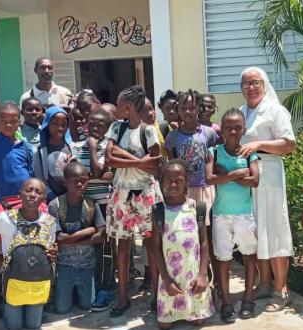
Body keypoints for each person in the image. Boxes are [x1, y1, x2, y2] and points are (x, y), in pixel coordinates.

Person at [238, 66, 296, 312]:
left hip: (269, 177)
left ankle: (280, 289)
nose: (251, 87)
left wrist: (259, 144)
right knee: (256, 231)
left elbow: (288, 143)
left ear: (264, 84)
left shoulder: (275, 110)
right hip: (247, 179)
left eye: (255, 82)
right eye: (246, 84)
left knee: (275, 230)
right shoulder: (241, 112)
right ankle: (264, 284)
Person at [104, 85, 164, 317]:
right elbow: (109, 157)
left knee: (152, 244)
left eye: (119, 105)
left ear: (128, 107)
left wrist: (124, 156)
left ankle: (157, 294)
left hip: (146, 193)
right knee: (123, 245)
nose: (117, 108)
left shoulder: (148, 131)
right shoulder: (116, 128)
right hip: (122, 193)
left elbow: (156, 161)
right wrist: (139, 161)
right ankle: (122, 296)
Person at [0, 178, 58, 330]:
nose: (33, 195)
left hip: (37, 285)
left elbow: (51, 247)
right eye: (28, 190)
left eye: (38, 192)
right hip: (13, 283)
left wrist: (53, 253)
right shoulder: (6, 218)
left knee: (33, 325)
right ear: (19, 194)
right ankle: (6, 305)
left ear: (44, 199)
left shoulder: (50, 222)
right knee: (13, 327)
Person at [206, 108, 260, 322]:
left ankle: (248, 298)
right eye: (228, 127)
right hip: (220, 214)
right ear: (222, 128)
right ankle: (226, 302)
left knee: (249, 255)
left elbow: (255, 180)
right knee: (223, 258)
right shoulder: (214, 152)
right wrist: (238, 174)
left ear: (243, 129)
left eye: (238, 127)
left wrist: (225, 175)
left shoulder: (249, 152)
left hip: (244, 214)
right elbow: (209, 179)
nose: (233, 131)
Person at [164, 89, 219, 292]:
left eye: (192, 107)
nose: (188, 111)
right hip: (183, 195)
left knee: (209, 237)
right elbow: (171, 166)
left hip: (205, 190)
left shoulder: (209, 133)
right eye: (184, 107)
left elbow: (215, 159)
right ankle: (189, 279)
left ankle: (213, 283)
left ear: (199, 109)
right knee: (190, 237)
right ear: (178, 109)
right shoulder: (172, 137)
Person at [152, 159, 215, 330]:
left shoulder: (197, 208)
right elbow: (156, 247)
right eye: (168, 180)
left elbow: (203, 242)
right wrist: (165, 280)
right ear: (161, 182)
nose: (173, 184)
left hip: (193, 277)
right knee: (164, 325)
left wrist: (203, 274)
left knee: (197, 321)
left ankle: (195, 304)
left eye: (179, 180)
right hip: (170, 278)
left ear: (187, 181)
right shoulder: (158, 211)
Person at [71, 109, 116, 311]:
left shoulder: (110, 146)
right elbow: (76, 176)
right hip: (85, 204)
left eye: (100, 124)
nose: (95, 127)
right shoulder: (76, 146)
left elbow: (103, 172)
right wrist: (95, 175)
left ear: (108, 127)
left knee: (106, 246)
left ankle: (107, 288)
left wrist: (92, 150)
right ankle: (90, 286)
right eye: (92, 123)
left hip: (106, 203)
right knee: (90, 247)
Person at [49, 162, 106, 313]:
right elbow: (59, 238)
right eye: (75, 181)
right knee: (61, 309)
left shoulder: (91, 205)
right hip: (64, 266)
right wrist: (90, 230)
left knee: (88, 305)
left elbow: (101, 236)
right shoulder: (55, 205)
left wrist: (70, 240)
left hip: (87, 265)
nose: (80, 184)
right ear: (65, 182)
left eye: (83, 180)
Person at [33, 106, 72, 202]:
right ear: (47, 124)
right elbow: (39, 177)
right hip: (49, 198)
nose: (60, 128)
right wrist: (50, 195)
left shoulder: (72, 147)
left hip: (70, 197)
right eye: (55, 123)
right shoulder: (39, 151)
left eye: (64, 124)